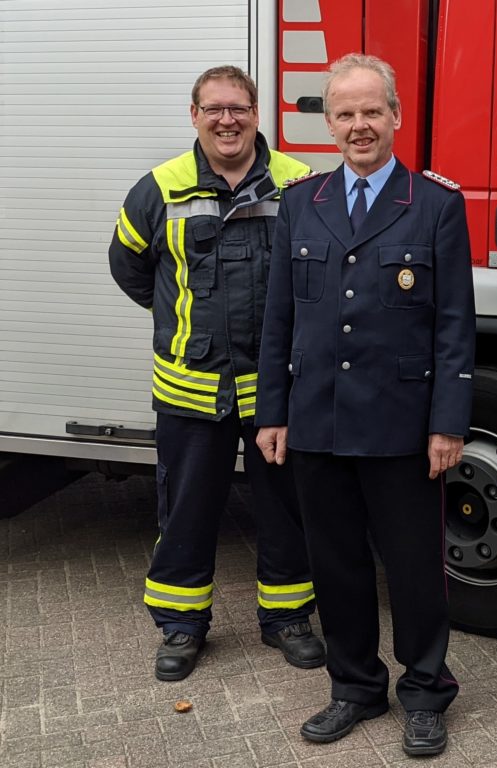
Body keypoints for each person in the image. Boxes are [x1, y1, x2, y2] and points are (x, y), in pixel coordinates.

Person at [255, 53, 474, 757]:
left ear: (396, 116)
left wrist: (447, 422)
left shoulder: (435, 203)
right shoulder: (301, 203)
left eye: (370, 111)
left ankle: (425, 691)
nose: (358, 126)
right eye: (344, 113)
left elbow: (454, 326)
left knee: (413, 570)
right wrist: (272, 412)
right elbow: (278, 318)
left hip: (401, 424)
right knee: (337, 565)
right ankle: (353, 686)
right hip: (317, 419)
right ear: (328, 123)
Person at [109, 66, 325, 682]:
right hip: (188, 388)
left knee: (285, 506)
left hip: (274, 389)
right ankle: (181, 624)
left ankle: (287, 619)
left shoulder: (298, 183)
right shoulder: (158, 188)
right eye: (214, 109)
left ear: (258, 113)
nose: (226, 120)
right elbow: (129, 268)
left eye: (238, 108)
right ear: (194, 114)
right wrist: (179, 318)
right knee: (187, 509)